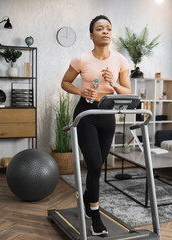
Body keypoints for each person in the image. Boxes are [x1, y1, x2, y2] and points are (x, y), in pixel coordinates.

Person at [61, 15, 131, 236]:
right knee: (93, 165)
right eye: (100, 29)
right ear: (91, 35)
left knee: (97, 167)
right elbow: (65, 82)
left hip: (107, 115)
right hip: (87, 114)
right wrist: (81, 90)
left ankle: (85, 199)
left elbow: (127, 91)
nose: (105, 31)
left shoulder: (120, 60)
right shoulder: (81, 59)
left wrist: (113, 84)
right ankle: (96, 216)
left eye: (109, 28)